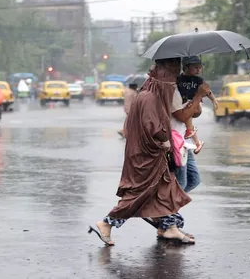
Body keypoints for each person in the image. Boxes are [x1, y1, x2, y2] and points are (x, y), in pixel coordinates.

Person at [89, 57, 208, 246]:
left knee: (164, 191)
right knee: (142, 195)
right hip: (149, 156)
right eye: (170, 75)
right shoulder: (149, 98)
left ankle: (168, 226)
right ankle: (107, 223)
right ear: (160, 76)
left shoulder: (151, 94)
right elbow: (154, 127)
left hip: (154, 154)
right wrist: (165, 141)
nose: (173, 80)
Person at [176, 56, 218, 154]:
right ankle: (197, 143)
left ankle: (190, 131)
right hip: (184, 105)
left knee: (188, 107)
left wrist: (214, 100)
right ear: (186, 67)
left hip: (195, 103)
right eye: (196, 68)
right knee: (187, 117)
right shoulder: (178, 79)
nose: (198, 70)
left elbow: (207, 91)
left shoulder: (198, 80)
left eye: (200, 68)